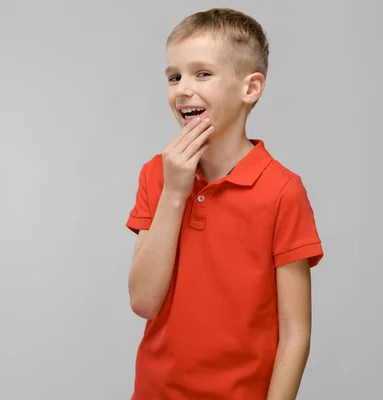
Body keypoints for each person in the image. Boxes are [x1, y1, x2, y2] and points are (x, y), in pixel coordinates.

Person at [126, 7, 324, 400]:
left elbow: (295, 331)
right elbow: (144, 301)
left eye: (203, 73)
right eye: (174, 76)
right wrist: (175, 191)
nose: (183, 88)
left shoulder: (282, 190)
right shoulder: (156, 174)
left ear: (250, 89)